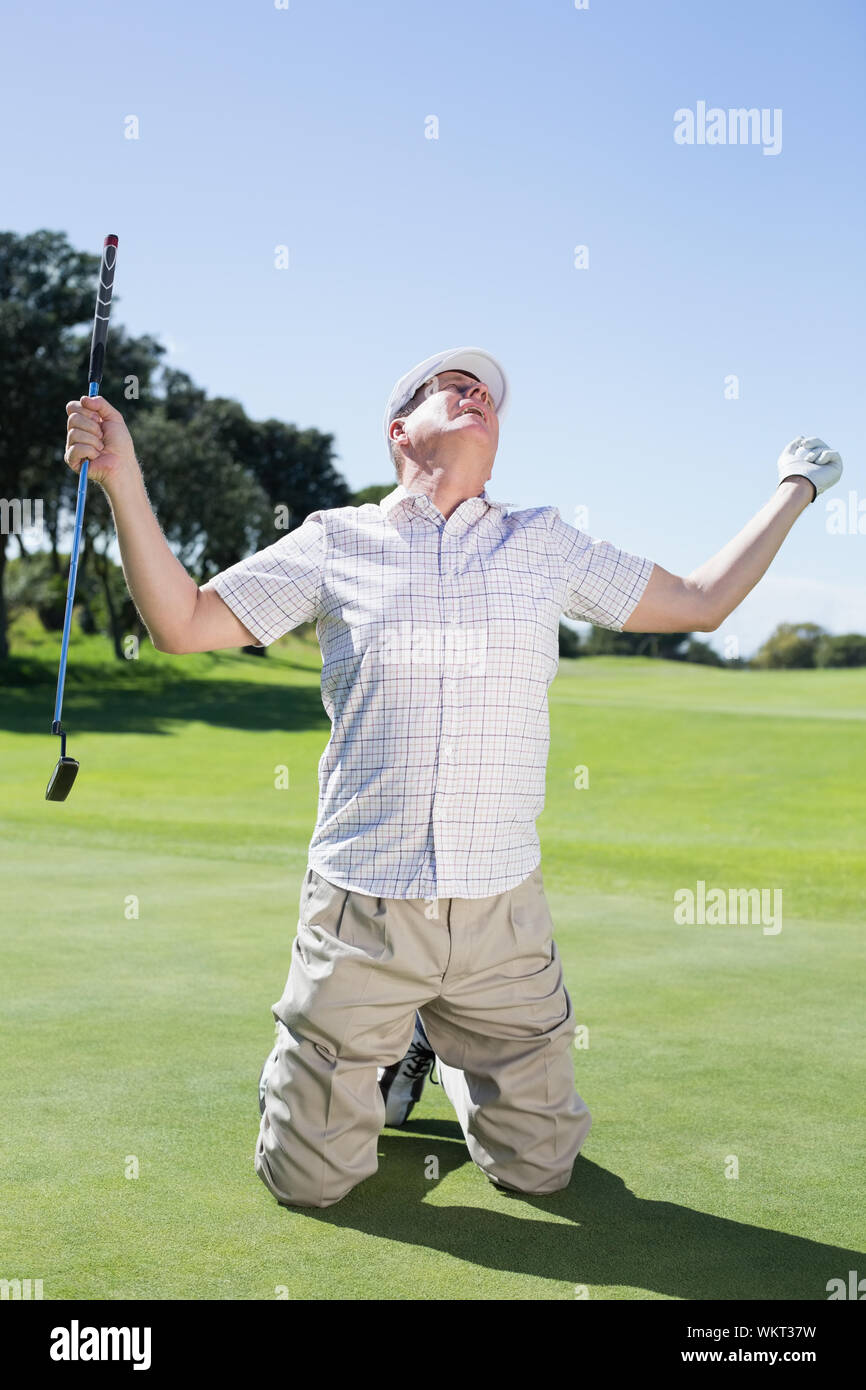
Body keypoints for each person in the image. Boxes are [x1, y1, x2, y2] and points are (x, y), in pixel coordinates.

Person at [63, 347, 842, 1209]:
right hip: (362, 908)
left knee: (540, 1172)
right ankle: (390, 1045)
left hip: (501, 917)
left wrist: (794, 489)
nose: (478, 395)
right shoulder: (334, 541)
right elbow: (184, 621)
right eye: (453, 388)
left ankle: (439, 1047)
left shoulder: (542, 541)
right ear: (400, 432)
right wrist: (122, 480)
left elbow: (700, 600)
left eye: (488, 395)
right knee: (309, 1185)